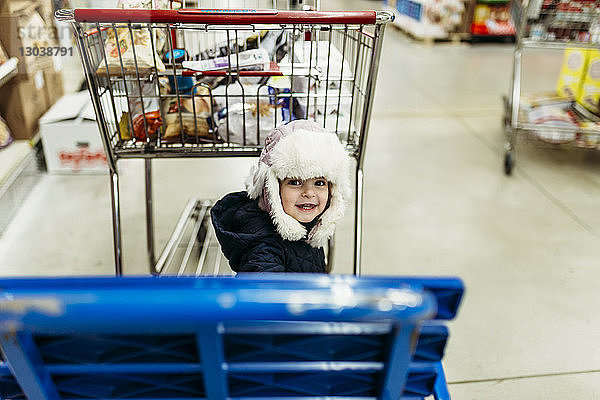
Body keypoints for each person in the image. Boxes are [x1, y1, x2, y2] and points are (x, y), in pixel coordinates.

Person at [211, 119, 351, 273]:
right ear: (272, 188)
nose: (309, 193)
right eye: (295, 182)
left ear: (332, 189)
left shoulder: (304, 225)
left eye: (319, 183)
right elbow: (263, 291)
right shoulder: (263, 250)